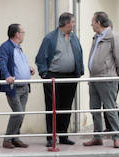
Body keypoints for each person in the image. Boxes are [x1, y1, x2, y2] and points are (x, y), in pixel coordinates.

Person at [35, 12, 83, 147]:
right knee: (52, 107)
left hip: (71, 77)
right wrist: (44, 74)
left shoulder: (74, 37)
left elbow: (79, 53)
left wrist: (80, 71)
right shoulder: (50, 38)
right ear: (66, 23)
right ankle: (51, 137)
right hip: (54, 77)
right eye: (72, 22)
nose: (74, 24)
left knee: (66, 107)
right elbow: (40, 57)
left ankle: (63, 136)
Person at [82, 11, 119, 149]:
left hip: (107, 79)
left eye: (93, 22)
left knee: (110, 108)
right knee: (94, 109)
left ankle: (116, 137)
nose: (91, 24)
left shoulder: (113, 37)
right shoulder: (96, 37)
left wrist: (116, 76)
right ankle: (97, 137)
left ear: (99, 22)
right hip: (94, 79)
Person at [0, 23, 36, 148]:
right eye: (23, 32)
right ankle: (7, 139)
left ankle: (15, 137)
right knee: (18, 112)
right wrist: (7, 76)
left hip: (24, 86)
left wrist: (28, 68)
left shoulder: (18, 47)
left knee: (21, 113)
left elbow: (18, 64)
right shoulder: (5, 47)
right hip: (14, 87)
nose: (24, 35)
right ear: (17, 34)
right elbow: (2, 63)